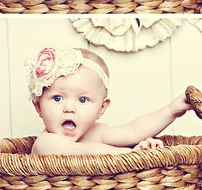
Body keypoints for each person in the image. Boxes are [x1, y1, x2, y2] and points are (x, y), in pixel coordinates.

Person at [26, 45, 192, 155]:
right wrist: (134, 154)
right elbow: (87, 152)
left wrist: (171, 111)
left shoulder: (94, 132)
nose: (69, 108)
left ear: (101, 108)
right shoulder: (46, 143)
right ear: (38, 106)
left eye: (83, 99)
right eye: (57, 98)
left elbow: (133, 131)